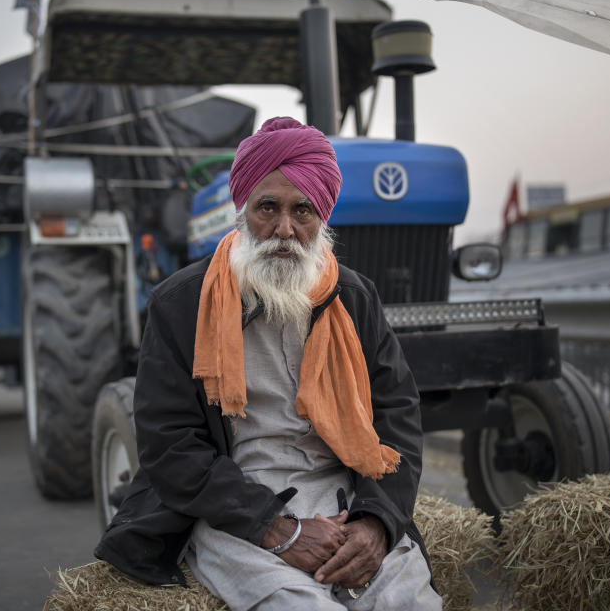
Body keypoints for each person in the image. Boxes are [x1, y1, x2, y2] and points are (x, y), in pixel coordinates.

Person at [95, 116, 440, 610]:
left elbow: (397, 416)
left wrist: (376, 524)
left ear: (322, 218)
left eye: (302, 210)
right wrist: (279, 530)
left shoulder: (354, 298)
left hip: (344, 502)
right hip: (234, 511)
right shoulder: (181, 305)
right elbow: (170, 446)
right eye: (267, 208)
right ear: (241, 212)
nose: (284, 229)